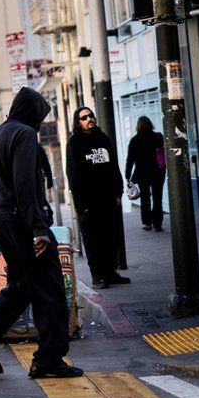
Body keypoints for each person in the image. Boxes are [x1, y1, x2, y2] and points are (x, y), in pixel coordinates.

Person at [0, 87, 82, 379]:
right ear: (32, 114)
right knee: (49, 289)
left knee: (23, 283)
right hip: (23, 219)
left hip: (0, 215)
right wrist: (38, 228)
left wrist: (1, 212)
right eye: (39, 116)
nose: (39, 123)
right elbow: (25, 184)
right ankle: (48, 360)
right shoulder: (25, 134)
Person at [66, 106, 130, 289]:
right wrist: (81, 203)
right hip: (88, 202)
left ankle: (111, 272)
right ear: (78, 122)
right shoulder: (74, 142)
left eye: (91, 115)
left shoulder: (103, 138)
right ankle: (98, 276)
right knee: (93, 242)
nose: (89, 119)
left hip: (109, 199)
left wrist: (118, 193)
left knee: (110, 238)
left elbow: (113, 167)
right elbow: (73, 173)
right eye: (84, 117)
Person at [125, 116, 166, 232]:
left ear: (138, 125)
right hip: (158, 172)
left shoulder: (135, 140)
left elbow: (130, 159)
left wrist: (127, 175)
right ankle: (157, 224)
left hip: (142, 173)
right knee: (158, 198)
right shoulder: (158, 137)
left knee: (145, 198)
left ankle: (147, 222)